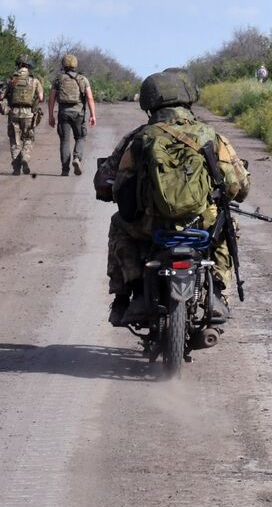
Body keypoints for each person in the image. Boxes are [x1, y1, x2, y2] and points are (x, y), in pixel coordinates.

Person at [99, 70, 251, 326]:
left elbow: (117, 187)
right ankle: (216, 290)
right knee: (228, 225)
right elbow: (239, 187)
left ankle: (127, 295)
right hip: (201, 225)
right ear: (189, 99)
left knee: (118, 225)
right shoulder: (211, 136)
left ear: (149, 102)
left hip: (152, 228)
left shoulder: (140, 138)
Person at [47, 53, 97, 176]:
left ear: (63, 65)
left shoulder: (58, 79)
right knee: (80, 137)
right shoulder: (83, 79)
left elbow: (51, 98)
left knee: (64, 141)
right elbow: (90, 98)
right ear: (75, 65)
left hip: (63, 114)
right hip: (78, 114)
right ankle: (77, 157)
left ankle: (65, 170)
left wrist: (51, 116)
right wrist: (92, 115)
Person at [2, 56, 45, 175]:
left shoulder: (12, 79)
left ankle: (16, 169)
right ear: (29, 66)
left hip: (14, 113)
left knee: (14, 140)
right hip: (28, 114)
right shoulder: (34, 80)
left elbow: (2, 96)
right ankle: (25, 157)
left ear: (18, 65)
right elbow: (41, 98)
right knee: (28, 138)